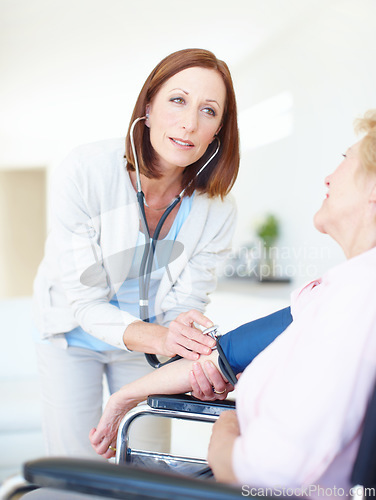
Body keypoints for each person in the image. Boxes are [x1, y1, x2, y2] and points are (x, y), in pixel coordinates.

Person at [88, 110, 376, 495]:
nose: (328, 176)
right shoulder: (331, 291)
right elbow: (227, 352)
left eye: (345, 159)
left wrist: (229, 427)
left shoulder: (353, 306)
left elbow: (264, 478)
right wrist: (127, 395)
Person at [32, 48, 240, 458]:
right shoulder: (86, 171)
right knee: (78, 465)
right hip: (72, 336)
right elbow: (86, 302)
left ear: (219, 129)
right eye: (177, 100)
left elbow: (185, 304)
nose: (189, 123)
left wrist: (186, 343)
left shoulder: (218, 209)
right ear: (149, 105)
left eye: (209, 110)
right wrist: (168, 337)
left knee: (146, 465)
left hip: (147, 346)